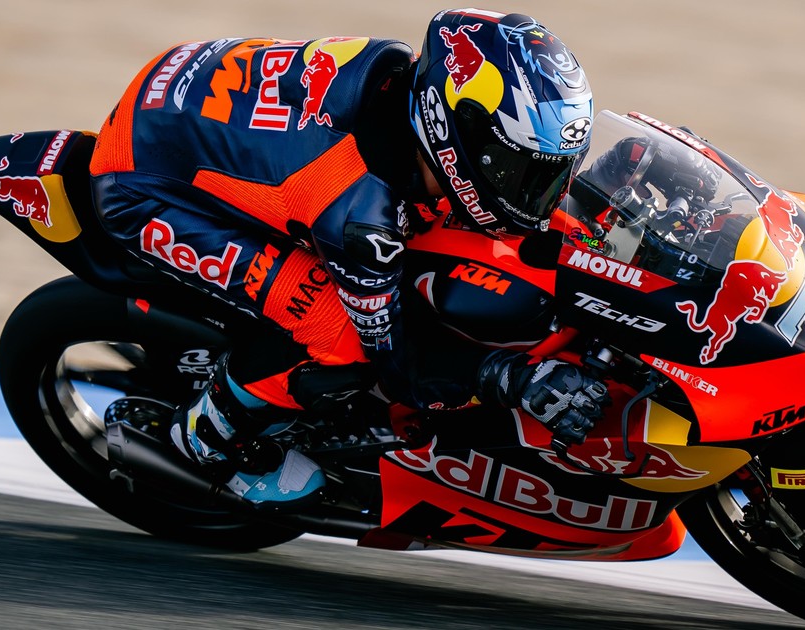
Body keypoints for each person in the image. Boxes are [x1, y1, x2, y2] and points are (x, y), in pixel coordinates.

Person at [90, 9, 610, 509]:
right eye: (526, 174)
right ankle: (207, 438)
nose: (548, 194)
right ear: (457, 137)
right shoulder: (363, 218)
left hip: (180, 91)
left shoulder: (403, 76)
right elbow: (399, 366)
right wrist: (508, 377)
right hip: (141, 187)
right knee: (340, 335)